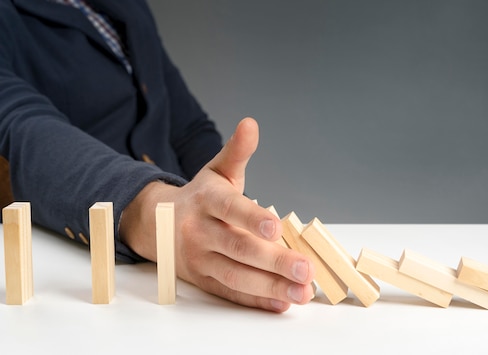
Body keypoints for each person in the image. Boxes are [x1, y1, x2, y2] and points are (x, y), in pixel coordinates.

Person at [0, 0, 315, 312]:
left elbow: (186, 128)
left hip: (187, 268)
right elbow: (21, 123)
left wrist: (228, 211)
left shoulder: (128, 7)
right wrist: (151, 212)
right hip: (97, 265)